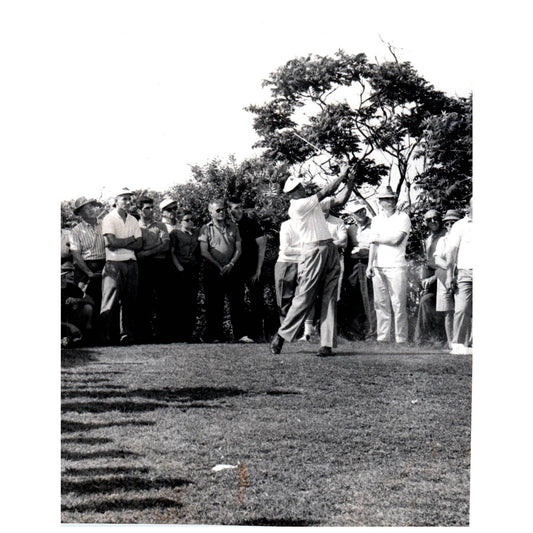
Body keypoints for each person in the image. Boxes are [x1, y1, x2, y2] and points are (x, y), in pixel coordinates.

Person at [270, 163, 353, 357]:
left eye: (300, 186)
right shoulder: (298, 206)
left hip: (330, 248)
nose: (301, 188)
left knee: (330, 296)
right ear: (290, 195)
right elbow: (326, 191)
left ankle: (326, 344)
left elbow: (339, 200)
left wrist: (350, 181)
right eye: (296, 188)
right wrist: (341, 175)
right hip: (312, 250)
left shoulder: (311, 203)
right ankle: (281, 336)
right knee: (305, 297)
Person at [366, 185, 411, 344]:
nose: (389, 201)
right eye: (385, 199)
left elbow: (396, 240)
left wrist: (377, 238)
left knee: (398, 303)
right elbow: (372, 245)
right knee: (381, 304)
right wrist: (370, 265)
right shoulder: (376, 220)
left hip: (397, 266)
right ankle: (383, 338)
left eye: (391, 198)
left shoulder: (403, 218)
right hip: (378, 266)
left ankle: (401, 339)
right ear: (380, 202)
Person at [100, 187, 143, 345]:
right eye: (124, 198)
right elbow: (111, 243)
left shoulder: (133, 219)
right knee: (110, 300)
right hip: (114, 263)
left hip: (131, 262)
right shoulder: (109, 219)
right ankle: (106, 336)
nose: (127, 201)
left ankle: (126, 334)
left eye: (129, 198)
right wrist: (130, 239)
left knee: (129, 300)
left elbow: (139, 244)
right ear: (116, 200)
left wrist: (122, 243)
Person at [198, 199, 245, 343]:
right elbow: (204, 252)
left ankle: (241, 335)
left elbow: (239, 249)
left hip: (232, 269)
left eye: (223, 209)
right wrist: (219, 266)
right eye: (218, 210)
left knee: (237, 303)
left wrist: (231, 264)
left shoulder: (233, 227)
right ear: (210, 212)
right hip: (213, 270)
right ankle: (215, 336)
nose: (222, 212)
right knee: (213, 304)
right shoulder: (205, 229)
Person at [227, 197, 267, 342]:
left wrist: (258, 270)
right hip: (234, 269)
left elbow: (262, 247)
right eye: (235, 208)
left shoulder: (252, 224)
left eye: (240, 207)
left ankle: (256, 334)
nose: (239, 210)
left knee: (256, 300)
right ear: (229, 210)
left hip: (252, 268)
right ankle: (240, 335)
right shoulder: (227, 225)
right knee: (236, 301)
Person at [136, 196, 172, 343]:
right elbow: (136, 248)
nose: (151, 211)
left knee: (163, 299)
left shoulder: (160, 226)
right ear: (139, 210)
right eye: (147, 208)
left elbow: (165, 245)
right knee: (144, 299)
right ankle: (144, 335)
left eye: (152, 208)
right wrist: (154, 248)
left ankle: (163, 334)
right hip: (143, 267)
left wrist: (147, 252)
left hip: (160, 265)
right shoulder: (134, 227)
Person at [69, 197, 106, 340]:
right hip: (84, 267)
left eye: (92, 207)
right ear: (80, 214)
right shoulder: (76, 231)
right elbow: (76, 255)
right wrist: (89, 273)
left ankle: (103, 335)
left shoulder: (104, 225)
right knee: (86, 301)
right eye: (86, 208)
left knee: (104, 299)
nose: (91, 210)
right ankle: (84, 336)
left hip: (104, 264)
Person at [341, 202, 377, 340]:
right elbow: (347, 248)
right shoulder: (350, 229)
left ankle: (372, 333)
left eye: (362, 210)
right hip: (354, 265)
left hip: (369, 263)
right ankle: (357, 333)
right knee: (354, 297)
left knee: (370, 298)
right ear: (352, 215)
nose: (361, 213)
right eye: (357, 212)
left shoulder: (375, 225)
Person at [413, 209, 447, 345]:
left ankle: (426, 339)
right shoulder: (428, 239)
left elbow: (446, 263)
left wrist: (432, 279)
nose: (433, 221)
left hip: (444, 276)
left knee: (427, 301)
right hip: (431, 278)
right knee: (424, 301)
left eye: (435, 218)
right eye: (429, 219)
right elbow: (428, 262)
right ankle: (425, 339)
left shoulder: (446, 236)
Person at [446, 199, 473, 355]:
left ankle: (472, 343)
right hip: (464, 273)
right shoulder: (459, 226)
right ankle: (457, 344)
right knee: (462, 309)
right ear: (469, 207)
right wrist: (450, 275)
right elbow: (451, 252)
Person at [170, 209, 201, 342]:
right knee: (179, 302)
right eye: (187, 220)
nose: (190, 222)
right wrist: (179, 268)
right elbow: (171, 253)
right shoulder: (175, 233)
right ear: (180, 221)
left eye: (192, 219)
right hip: (180, 269)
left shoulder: (196, 233)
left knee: (191, 302)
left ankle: (189, 333)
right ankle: (178, 334)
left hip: (193, 269)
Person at [433, 209, 462, 348]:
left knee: (462, 309)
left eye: (453, 223)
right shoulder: (442, 240)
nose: (450, 226)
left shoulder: (465, 239)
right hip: (445, 276)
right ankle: (451, 342)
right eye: (448, 223)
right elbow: (438, 259)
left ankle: (462, 340)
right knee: (448, 311)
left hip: (462, 276)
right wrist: (451, 269)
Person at [274, 218, 301, 322]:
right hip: (286, 263)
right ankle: (285, 331)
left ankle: (300, 332)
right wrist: (307, 251)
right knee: (284, 300)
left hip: (304, 263)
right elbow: (286, 249)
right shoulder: (287, 225)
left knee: (301, 299)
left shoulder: (311, 225)